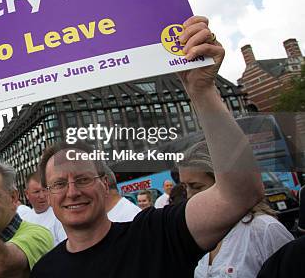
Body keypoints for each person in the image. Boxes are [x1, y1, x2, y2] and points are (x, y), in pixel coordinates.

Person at [29, 16, 266, 277]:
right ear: (49, 195)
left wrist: (201, 90)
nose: (72, 192)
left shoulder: (156, 234)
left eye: (83, 179)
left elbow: (240, 195)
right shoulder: (43, 271)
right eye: (59, 184)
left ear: (105, 184)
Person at [179, 141, 294, 278]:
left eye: (196, 187)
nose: (189, 196)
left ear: (225, 183)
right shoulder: (196, 234)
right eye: (185, 187)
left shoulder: (265, 229)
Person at [21, 172, 67, 246]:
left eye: (44, 190)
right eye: (36, 192)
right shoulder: (24, 219)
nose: (42, 196)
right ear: (27, 194)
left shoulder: (59, 216)